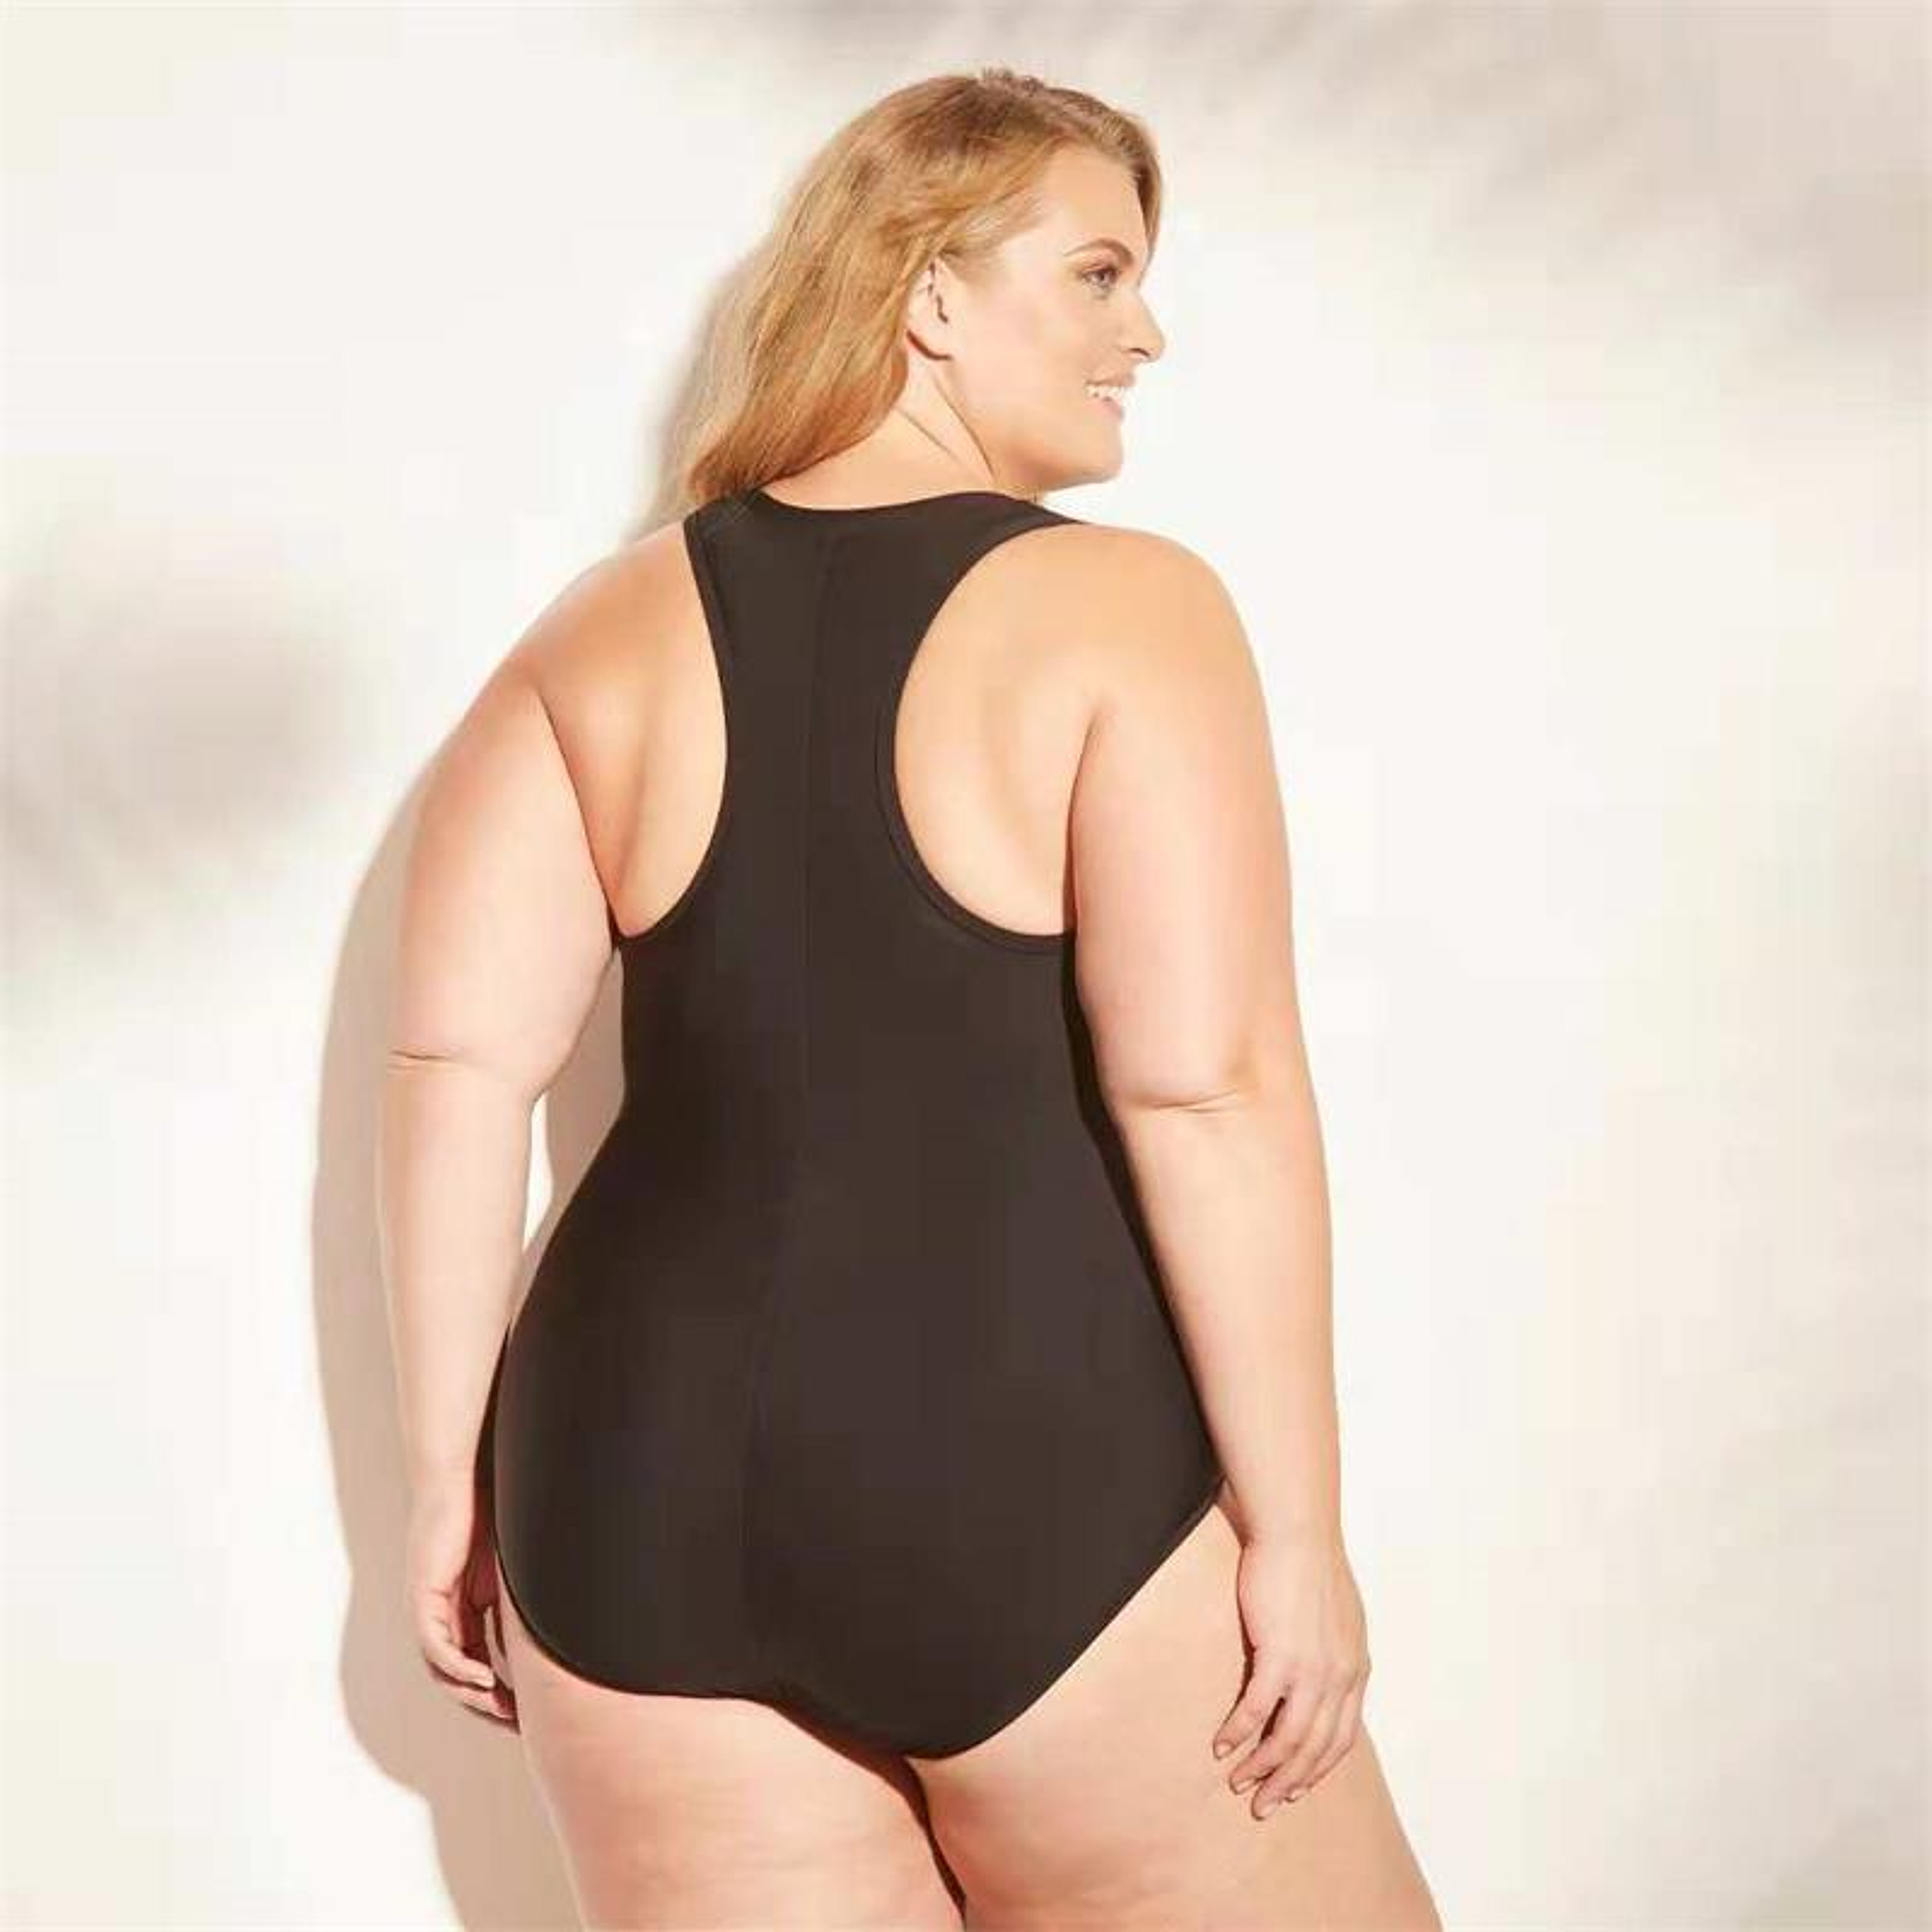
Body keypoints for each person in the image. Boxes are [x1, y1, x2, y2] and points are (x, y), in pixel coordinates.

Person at [379, 65, 1441, 1930]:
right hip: (1024, 1476)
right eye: (1099, 273)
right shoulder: (1126, 611)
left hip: (623, 1505)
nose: (1147, 332)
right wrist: (1298, 1534)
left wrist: (445, 1487)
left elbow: (458, 1070)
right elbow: (1203, 1090)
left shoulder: (592, 634)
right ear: (932, 293)